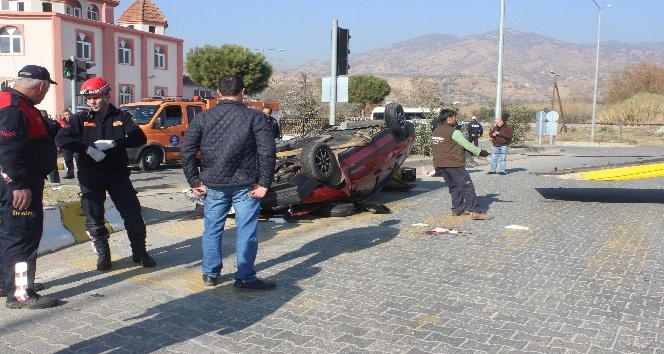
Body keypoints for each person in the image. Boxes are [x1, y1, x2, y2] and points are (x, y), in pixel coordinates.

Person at [182, 75, 277, 291]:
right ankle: (245, 277)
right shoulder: (255, 117)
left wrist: (194, 180)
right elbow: (267, 152)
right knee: (246, 231)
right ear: (242, 91)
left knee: (212, 229)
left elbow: (187, 152)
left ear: (218, 91)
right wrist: (264, 183)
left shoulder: (203, 118)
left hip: (214, 184)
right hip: (247, 185)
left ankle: (210, 273)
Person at [55, 77, 156, 271]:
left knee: (133, 214)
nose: (92, 102)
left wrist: (115, 143)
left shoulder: (121, 116)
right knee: (94, 217)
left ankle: (140, 252)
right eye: (88, 98)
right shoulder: (80, 119)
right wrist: (86, 149)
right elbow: (61, 139)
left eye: (96, 97)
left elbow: (139, 137)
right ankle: (103, 255)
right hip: (91, 174)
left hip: (117, 173)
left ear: (107, 96)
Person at [0, 65, 59, 309]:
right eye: (47, 89)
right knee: (22, 236)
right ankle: (21, 293)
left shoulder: (16, 103)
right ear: (42, 86)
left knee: (7, 234)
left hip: (10, 183)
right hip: (19, 185)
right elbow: (8, 149)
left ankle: (7, 283)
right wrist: (19, 185)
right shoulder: (14, 108)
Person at [431, 109, 492, 220]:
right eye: (454, 118)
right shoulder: (454, 131)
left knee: (454, 187)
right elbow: (467, 144)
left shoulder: (436, 130)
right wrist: (480, 152)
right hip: (453, 163)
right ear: (449, 118)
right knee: (467, 186)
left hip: (440, 164)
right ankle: (476, 211)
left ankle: (457, 209)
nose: (456, 120)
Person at [58, 109, 76, 179]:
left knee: (79, 159)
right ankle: (70, 173)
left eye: (69, 114)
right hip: (67, 143)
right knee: (68, 159)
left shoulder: (76, 120)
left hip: (76, 142)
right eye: (65, 115)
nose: (67, 116)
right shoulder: (61, 123)